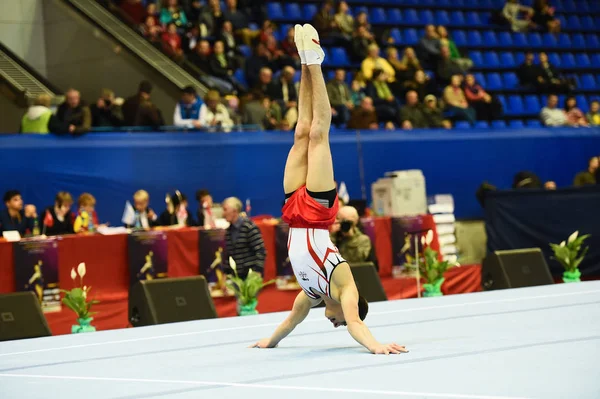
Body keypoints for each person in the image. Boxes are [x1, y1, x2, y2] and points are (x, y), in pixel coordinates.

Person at [250, 24, 407, 355]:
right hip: (319, 214)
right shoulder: (344, 284)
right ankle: (317, 64)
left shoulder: (310, 293)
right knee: (319, 135)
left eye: (334, 323)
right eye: (337, 321)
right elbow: (356, 323)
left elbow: (289, 322)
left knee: (300, 133)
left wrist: (270, 342)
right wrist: (377, 346)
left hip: (293, 212)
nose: (333, 322)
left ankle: (305, 62)